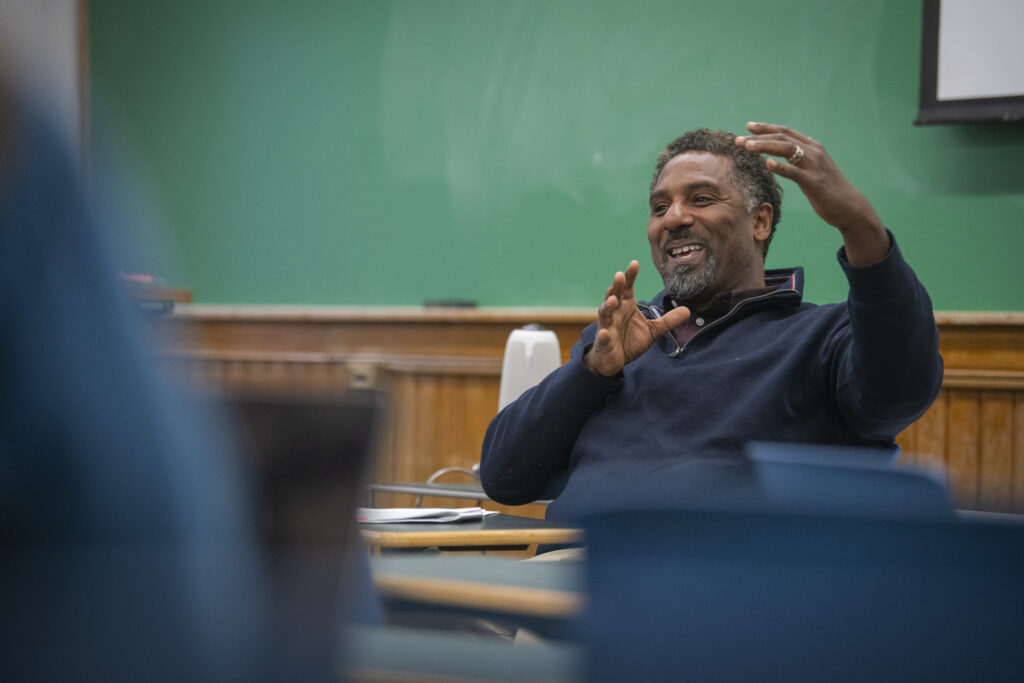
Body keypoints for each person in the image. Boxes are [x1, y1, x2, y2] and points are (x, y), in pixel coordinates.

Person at [480, 122, 943, 521]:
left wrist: (859, 225)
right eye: (659, 207)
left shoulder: (822, 338)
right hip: (570, 580)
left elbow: (899, 394)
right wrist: (591, 374)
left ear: (760, 222)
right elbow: (504, 478)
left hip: (723, 601)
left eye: (701, 199)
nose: (674, 218)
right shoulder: (618, 342)